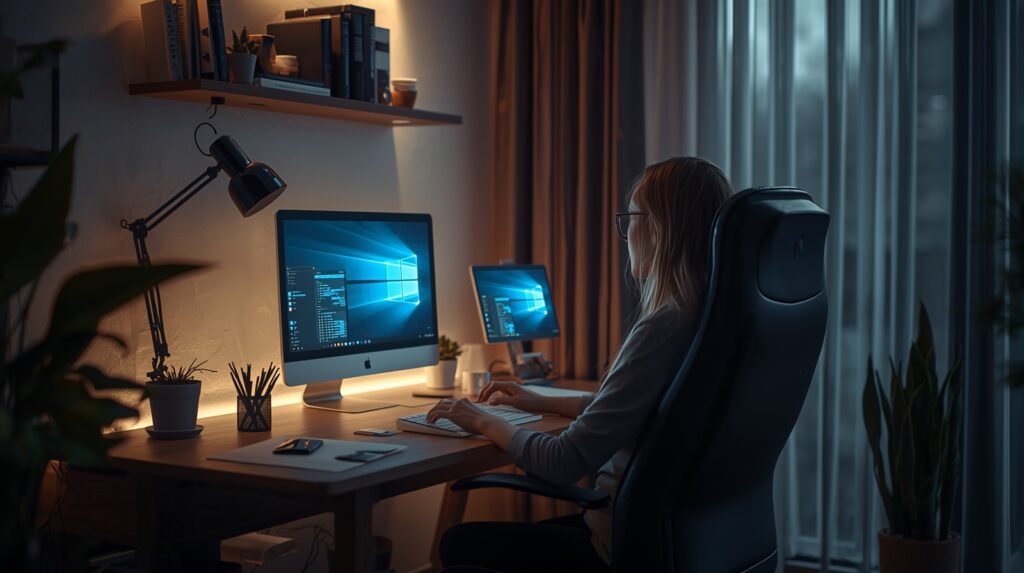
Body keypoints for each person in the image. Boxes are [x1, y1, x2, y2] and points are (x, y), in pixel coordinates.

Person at [429, 157, 734, 572]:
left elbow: (565, 461)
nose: (625, 234)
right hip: (688, 545)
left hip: (617, 548)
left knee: (457, 544)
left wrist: (483, 420)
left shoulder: (665, 327)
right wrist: (543, 401)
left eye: (631, 218)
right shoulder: (714, 320)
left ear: (660, 229)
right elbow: (648, 414)